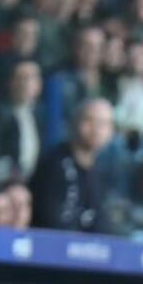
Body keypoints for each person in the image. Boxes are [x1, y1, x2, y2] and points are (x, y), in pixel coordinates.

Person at [30, 98, 114, 233]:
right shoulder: (54, 163)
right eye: (89, 120)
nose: (96, 129)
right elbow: (51, 223)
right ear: (75, 122)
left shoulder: (101, 172)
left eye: (103, 124)